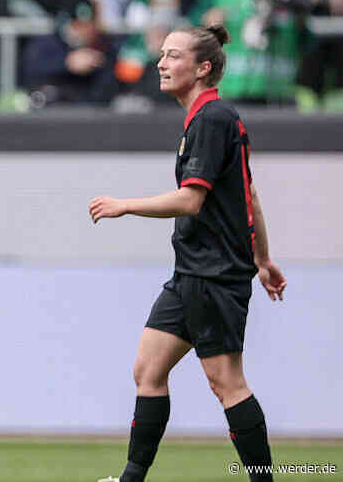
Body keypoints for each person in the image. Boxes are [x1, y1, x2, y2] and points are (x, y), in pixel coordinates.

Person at [89, 25, 287, 482]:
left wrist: (124, 205)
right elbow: (248, 194)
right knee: (148, 369)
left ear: (202, 69)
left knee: (226, 383)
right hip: (192, 273)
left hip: (214, 275)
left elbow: (191, 199)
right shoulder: (207, 120)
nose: (161, 63)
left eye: (173, 56)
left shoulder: (213, 119)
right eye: (162, 54)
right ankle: (131, 478)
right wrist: (263, 258)